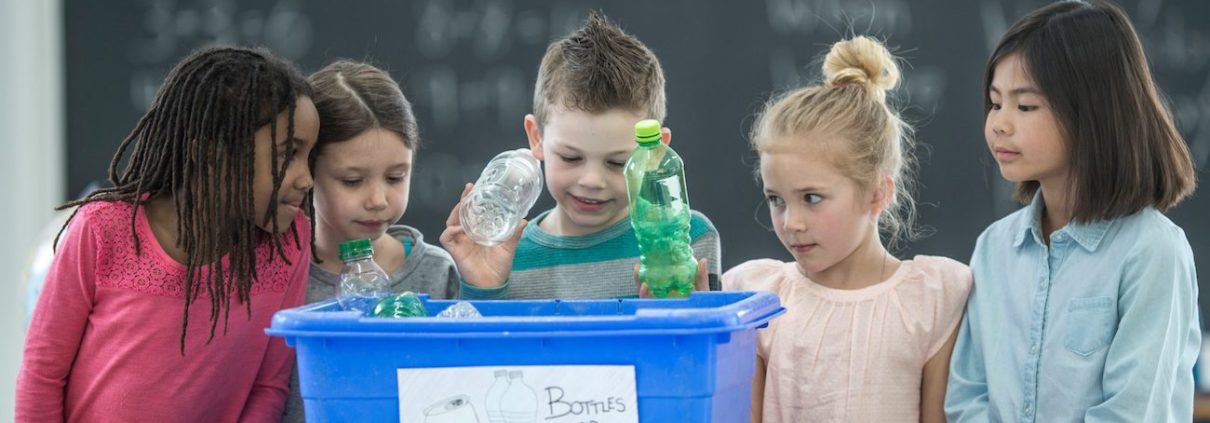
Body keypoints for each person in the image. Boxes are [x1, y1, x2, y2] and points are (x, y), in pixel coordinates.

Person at [17, 46, 318, 422]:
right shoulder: (102, 228)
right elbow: (42, 374)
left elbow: (269, 385)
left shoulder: (289, 244)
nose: (307, 178)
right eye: (288, 154)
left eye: (310, 157)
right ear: (213, 154)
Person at [945, 1, 1200, 421]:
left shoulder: (1152, 250)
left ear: (1092, 112)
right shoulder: (994, 249)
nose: (1000, 124)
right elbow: (967, 397)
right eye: (995, 103)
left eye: (1025, 106)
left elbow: (1132, 413)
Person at [723, 36, 971, 422]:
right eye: (776, 200)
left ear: (877, 193)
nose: (791, 223)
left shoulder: (933, 297)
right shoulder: (755, 298)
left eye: (813, 198)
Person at [442, 11, 721, 300]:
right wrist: (485, 288)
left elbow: (710, 345)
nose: (592, 180)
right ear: (536, 137)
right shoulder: (504, 255)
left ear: (655, 152)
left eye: (618, 163)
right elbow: (491, 346)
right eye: (571, 158)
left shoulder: (686, 241)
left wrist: (686, 319)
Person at [280, 60, 460, 423]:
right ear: (308, 171)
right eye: (352, 180)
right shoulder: (275, 274)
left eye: (396, 177)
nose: (378, 199)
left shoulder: (437, 272)